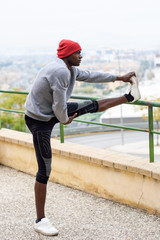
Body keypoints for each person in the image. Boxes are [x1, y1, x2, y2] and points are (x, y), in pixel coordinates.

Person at [25, 39, 141, 236]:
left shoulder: (68, 68)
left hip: (51, 113)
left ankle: (129, 97)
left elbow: (90, 75)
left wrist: (119, 77)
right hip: (39, 120)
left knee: (90, 104)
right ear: (68, 55)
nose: (81, 56)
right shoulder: (60, 71)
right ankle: (40, 220)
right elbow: (58, 106)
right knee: (45, 169)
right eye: (78, 52)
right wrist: (65, 120)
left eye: (81, 52)